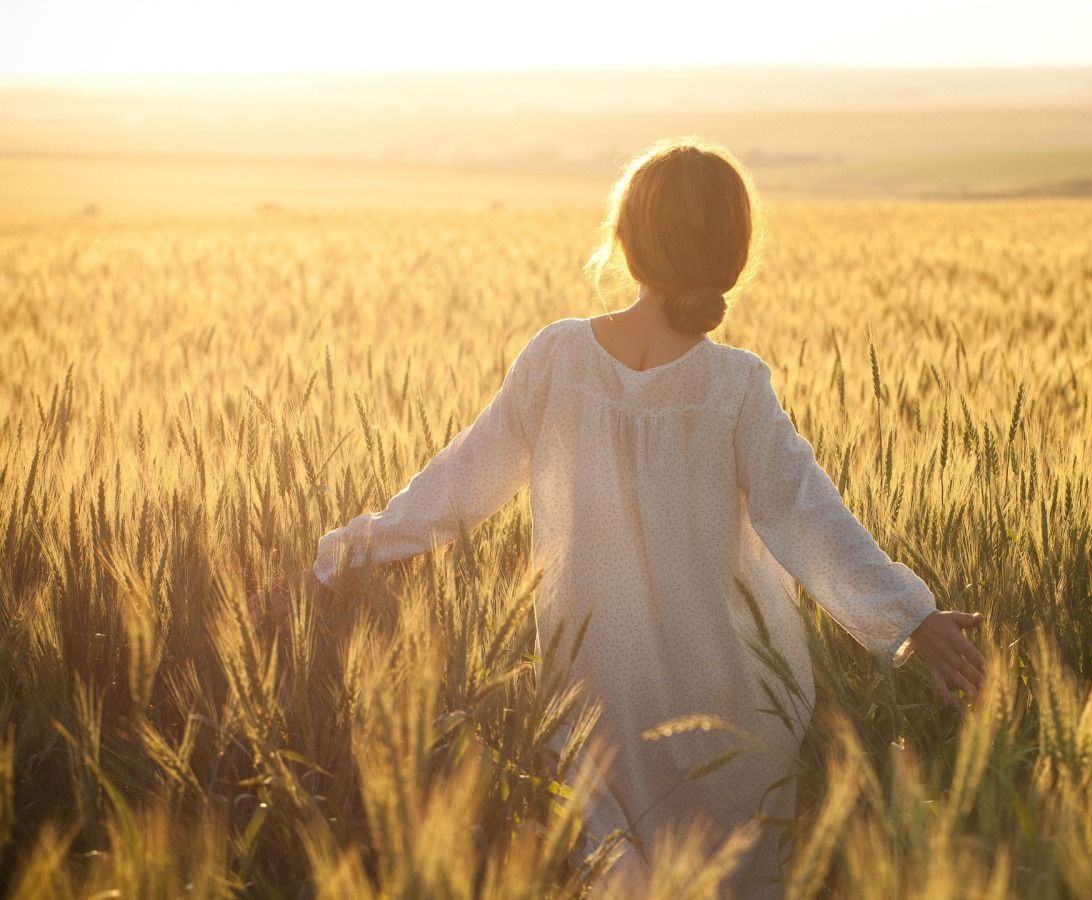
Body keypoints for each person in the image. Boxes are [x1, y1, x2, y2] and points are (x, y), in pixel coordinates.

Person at [262, 136, 988, 898]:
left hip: (593, 696)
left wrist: (342, 555)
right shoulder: (734, 385)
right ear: (732, 256)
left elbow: (456, 487)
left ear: (629, 242)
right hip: (731, 703)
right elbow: (808, 518)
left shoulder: (558, 360)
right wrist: (910, 620)